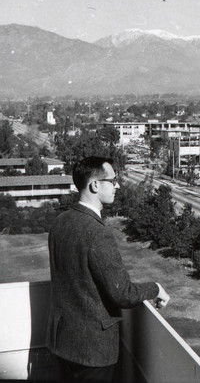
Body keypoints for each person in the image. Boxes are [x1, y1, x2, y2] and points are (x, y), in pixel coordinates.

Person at [46, 156, 170, 382]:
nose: (118, 185)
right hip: (92, 350)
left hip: (62, 341)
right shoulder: (97, 232)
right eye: (113, 180)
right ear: (95, 185)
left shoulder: (60, 222)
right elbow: (122, 293)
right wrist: (156, 288)